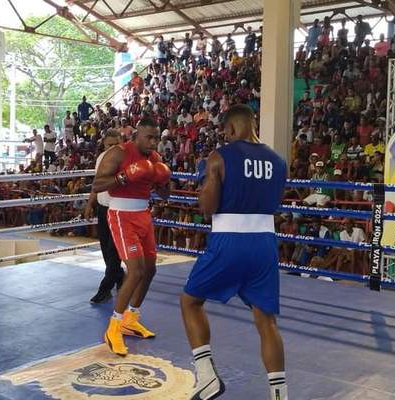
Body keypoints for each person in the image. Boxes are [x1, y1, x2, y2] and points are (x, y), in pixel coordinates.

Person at [180, 105, 288, 400]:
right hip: (265, 244)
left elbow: (207, 207)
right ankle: (279, 395)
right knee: (266, 320)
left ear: (229, 129)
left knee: (190, 301)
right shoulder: (279, 162)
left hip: (229, 241)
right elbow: (271, 203)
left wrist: (206, 181)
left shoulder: (219, 157)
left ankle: (206, 377)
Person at [92, 117, 171, 356]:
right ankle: (113, 328)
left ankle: (131, 318)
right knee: (135, 271)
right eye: (150, 137)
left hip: (143, 214)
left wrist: (163, 179)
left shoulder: (154, 159)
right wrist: (124, 177)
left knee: (150, 270)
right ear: (136, 135)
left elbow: (164, 195)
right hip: (121, 214)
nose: (154, 142)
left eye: (157, 138)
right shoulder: (118, 153)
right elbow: (97, 185)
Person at [84, 130, 124, 304]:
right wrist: (89, 204)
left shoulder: (125, 159)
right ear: (104, 144)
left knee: (114, 251)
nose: (112, 148)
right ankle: (120, 276)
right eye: (109, 145)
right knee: (105, 249)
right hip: (102, 207)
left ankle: (104, 289)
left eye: (116, 144)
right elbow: (96, 183)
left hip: (118, 209)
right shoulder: (101, 158)